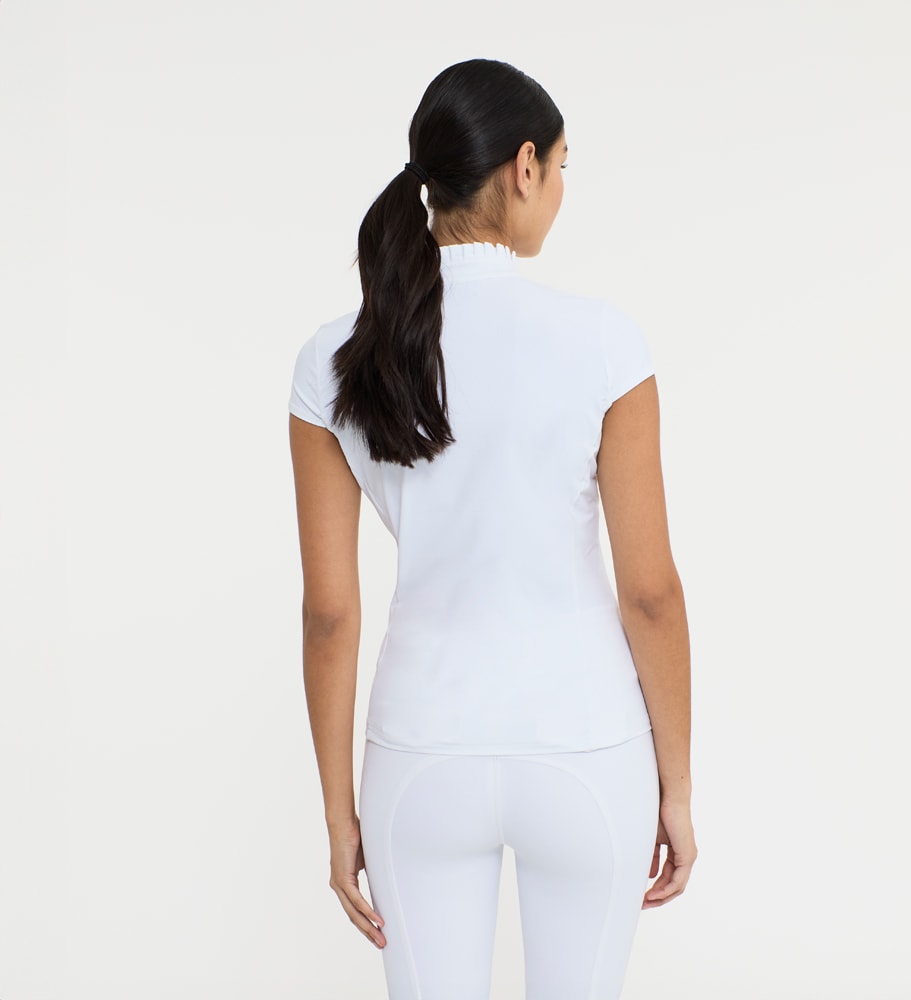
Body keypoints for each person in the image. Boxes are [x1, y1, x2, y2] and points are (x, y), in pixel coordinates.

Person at [287, 57, 696, 1000]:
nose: (560, 188)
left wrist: (339, 817)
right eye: (562, 166)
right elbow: (650, 594)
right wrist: (676, 785)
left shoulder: (335, 358)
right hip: (587, 746)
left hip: (419, 753)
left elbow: (329, 616)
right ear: (524, 166)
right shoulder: (604, 342)